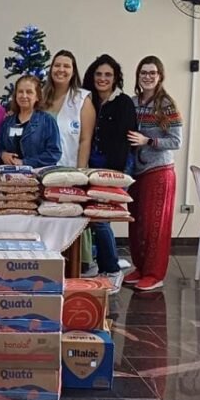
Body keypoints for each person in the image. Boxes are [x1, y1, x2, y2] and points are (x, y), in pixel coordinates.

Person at [126, 56, 183, 291]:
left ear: (160, 76)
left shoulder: (167, 105)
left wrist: (148, 140)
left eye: (152, 73)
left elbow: (176, 141)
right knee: (136, 222)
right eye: (143, 73)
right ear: (138, 76)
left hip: (158, 171)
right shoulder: (132, 102)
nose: (147, 76)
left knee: (155, 225)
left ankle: (154, 273)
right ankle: (140, 267)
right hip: (136, 171)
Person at [82, 54, 138, 293]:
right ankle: (96, 261)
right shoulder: (87, 99)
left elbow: (126, 140)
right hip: (88, 166)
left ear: (115, 78)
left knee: (101, 218)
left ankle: (112, 269)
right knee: (89, 218)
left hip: (114, 169)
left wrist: (114, 173)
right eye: (98, 74)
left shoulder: (123, 102)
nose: (103, 79)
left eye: (108, 75)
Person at [42, 50, 97, 276]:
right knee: (47, 214)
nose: (61, 70)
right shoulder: (42, 97)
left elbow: (85, 139)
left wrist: (81, 173)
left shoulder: (81, 99)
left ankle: (79, 264)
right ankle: (49, 259)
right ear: (51, 69)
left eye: (66, 66)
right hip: (44, 169)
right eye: (57, 65)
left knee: (71, 215)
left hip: (70, 169)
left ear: (73, 71)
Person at [0, 75, 61, 168]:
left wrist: (25, 162)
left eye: (29, 92)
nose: (24, 96)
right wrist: (2, 155)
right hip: (10, 176)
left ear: (37, 96)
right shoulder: (7, 122)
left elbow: (54, 153)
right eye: (20, 92)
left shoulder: (47, 121)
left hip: (37, 177)